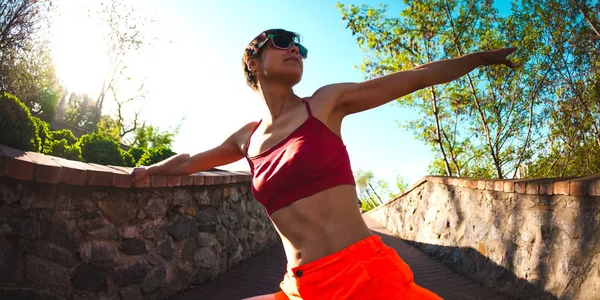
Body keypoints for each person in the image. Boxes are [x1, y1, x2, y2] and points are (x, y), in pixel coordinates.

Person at [132, 29, 517, 299]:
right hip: (300, 286)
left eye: (299, 46)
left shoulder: (324, 104)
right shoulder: (246, 138)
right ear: (252, 60)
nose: (295, 49)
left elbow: (415, 77)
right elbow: (191, 160)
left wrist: (480, 59)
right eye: (281, 42)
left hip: (362, 276)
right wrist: (149, 171)